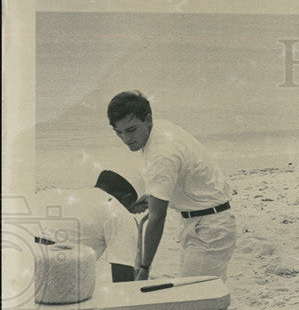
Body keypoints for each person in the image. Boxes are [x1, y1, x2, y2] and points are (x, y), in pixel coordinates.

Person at [107, 91, 237, 281]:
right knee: (201, 292)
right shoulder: (160, 130)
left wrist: (144, 266)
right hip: (200, 219)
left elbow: (157, 218)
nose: (126, 139)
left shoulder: (162, 152)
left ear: (148, 120)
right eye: (119, 132)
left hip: (210, 226)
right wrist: (154, 197)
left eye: (131, 130)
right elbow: (180, 174)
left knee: (196, 296)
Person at [32, 170, 142, 282]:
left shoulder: (48, 194)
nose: (133, 211)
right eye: (132, 207)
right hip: (49, 274)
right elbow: (123, 282)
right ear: (127, 198)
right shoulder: (120, 213)